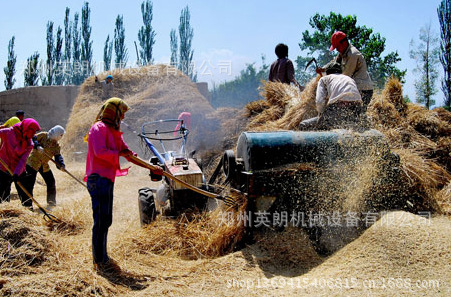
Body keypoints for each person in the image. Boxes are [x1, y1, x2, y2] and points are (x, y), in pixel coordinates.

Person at [85, 97, 163, 273]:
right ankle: (99, 260)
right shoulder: (98, 128)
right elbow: (99, 152)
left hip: (106, 179)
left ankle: (102, 257)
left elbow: (129, 155)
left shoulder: (113, 132)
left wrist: (152, 167)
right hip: (98, 179)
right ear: (114, 113)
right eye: (122, 114)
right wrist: (118, 152)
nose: (123, 118)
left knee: (106, 219)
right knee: (100, 220)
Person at [317, 31, 373, 111]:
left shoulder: (352, 55)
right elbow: (334, 62)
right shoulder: (343, 51)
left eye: (337, 47)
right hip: (354, 88)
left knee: (358, 114)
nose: (337, 50)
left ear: (343, 43)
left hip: (363, 90)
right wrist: (323, 68)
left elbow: (346, 76)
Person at [299, 62, 363, 130]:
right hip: (357, 109)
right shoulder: (349, 79)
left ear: (328, 72)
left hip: (338, 108)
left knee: (304, 124)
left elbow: (319, 101)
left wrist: (321, 114)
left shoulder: (324, 79)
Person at [18, 125, 66, 208]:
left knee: (51, 182)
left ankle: (51, 203)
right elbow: (33, 138)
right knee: (29, 184)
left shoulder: (56, 146)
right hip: (33, 163)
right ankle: (27, 206)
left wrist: (61, 165)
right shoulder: (43, 135)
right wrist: (37, 146)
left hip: (44, 165)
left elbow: (58, 156)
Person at [0, 119, 41, 208]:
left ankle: (29, 212)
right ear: (26, 128)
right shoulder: (8, 132)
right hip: (3, 167)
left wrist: (16, 173)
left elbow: (23, 160)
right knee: (2, 193)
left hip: (18, 170)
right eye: (32, 130)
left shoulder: (29, 143)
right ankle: (4, 213)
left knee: (25, 194)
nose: (34, 133)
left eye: (35, 131)